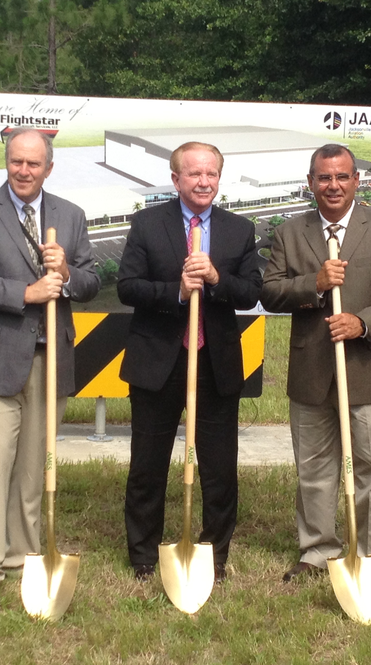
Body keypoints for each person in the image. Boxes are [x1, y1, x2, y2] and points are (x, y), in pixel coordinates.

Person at [0, 127, 100, 608]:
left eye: (33, 164)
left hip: (48, 358)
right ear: (7, 162)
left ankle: (22, 555)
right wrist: (26, 293)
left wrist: (68, 272)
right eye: (16, 161)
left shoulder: (70, 216)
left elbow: (94, 281)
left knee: (33, 469)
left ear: (48, 168)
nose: (23, 170)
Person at [260, 143, 371, 582]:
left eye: (342, 177)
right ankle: (316, 551)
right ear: (311, 183)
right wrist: (312, 283)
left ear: (357, 181)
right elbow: (270, 290)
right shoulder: (291, 232)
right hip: (312, 368)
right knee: (313, 467)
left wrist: (362, 323)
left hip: (370, 367)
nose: (333, 186)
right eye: (324, 178)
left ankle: (364, 552)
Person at [118, 141, 262, 583]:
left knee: (219, 466)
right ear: (176, 178)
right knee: (148, 462)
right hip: (159, 361)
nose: (203, 181)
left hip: (214, 362)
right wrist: (177, 292)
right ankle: (144, 555)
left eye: (211, 174)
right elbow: (127, 287)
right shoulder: (147, 224)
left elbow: (251, 291)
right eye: (193, 173)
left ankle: (214, 552)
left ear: (220, 178)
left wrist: (217, 280)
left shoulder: (239, 229)